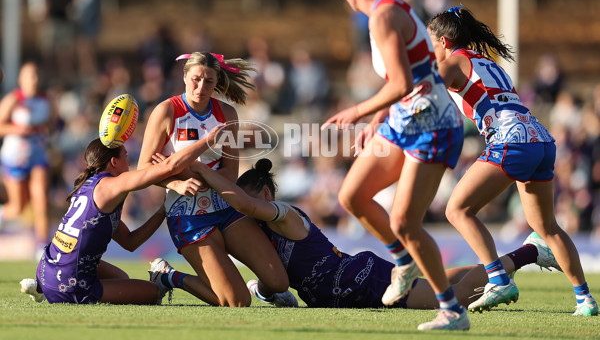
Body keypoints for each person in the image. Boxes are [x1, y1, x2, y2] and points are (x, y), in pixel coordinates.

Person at [185, 158, 561, 309]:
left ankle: (530, 252)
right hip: (352, 282)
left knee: (452, 298)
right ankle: (512, 259)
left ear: (265, 194)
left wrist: (203, 171)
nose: (243, 211)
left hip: (361, 279)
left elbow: (247, 207)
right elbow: (276, 279)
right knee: (444, 280)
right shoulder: (262, 233)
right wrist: (265, 291)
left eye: (249, 200)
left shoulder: (283, 214)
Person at [322, 0, 466, 330]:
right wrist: (379, 115)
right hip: (403, 119)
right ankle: (402, 261)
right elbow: (411, 73)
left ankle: (451, 309)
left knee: (404, 222)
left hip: (433, 124)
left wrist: (358, 111)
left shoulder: (384, 16)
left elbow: (403, 83)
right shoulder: (388, 10)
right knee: (352, 196)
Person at [426, 5, 598, 317]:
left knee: (457, 209)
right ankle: (585, 299)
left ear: (444, 43)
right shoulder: (488, 63)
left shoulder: (452, 61)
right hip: (540, 139)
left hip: (512, 140)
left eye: (430, 43)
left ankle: (498, 278)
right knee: (546, 227)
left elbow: (426, 92)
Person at [137, 51, 294, 307]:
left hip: (224, 207)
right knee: (237, 302)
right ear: (185, 76)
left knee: (279, 283)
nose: (201, 87)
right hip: (187, 214)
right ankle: (169, 276)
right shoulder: (167, 111)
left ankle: (260, 289)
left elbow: (231, 174)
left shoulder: (227, 114)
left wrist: (183, 169)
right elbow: (143, 169)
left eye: (209, 81)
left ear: (217, 81)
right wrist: (175, 183)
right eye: (196, 79)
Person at [23, 127, 224, 305]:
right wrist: (208, 140)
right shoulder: (112, 184)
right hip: (68, 284)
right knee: (153, 293)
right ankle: (164, 278)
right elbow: (167, 168)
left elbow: (130, 242)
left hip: (47, 268)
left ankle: (42, 289)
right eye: (126, 157)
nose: (129, 162)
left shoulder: (90, 186)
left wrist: (163, 210)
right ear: (114, 162)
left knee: (121, 277)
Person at [0, 62, 53, 254]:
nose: (34, 79)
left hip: (38, 154)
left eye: (37, 74)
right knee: (17, 207)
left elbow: (52, 126)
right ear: (21, 79)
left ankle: (42, 248)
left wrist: (46, 130)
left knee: (41, 200)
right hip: (15, 156)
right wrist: (17, 129)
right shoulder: (14, 99)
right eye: (30, 75)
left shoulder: (46, 100)